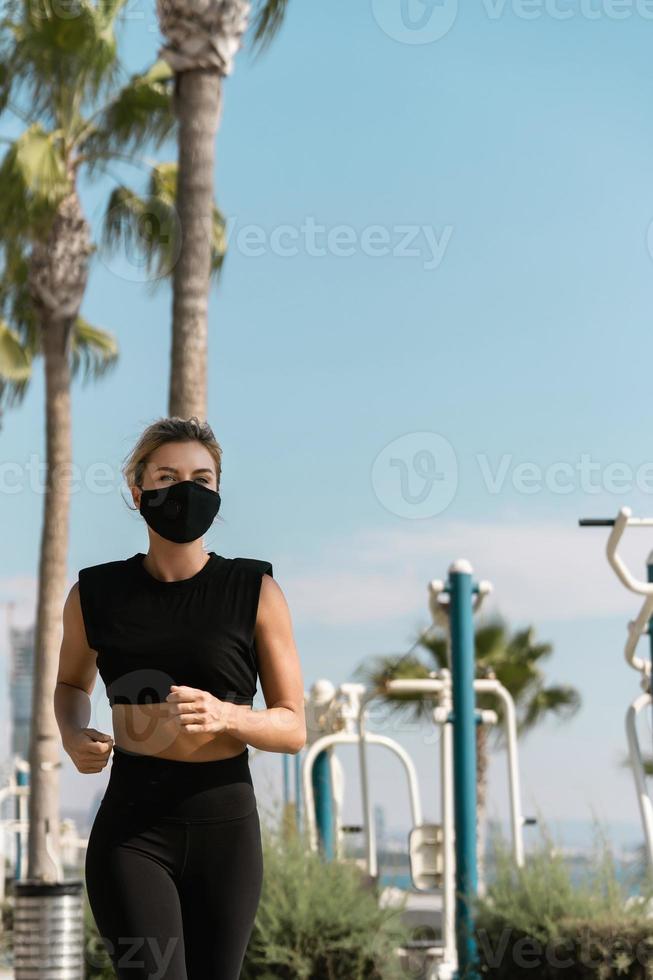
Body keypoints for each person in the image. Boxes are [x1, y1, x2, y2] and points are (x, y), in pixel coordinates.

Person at [54, 416, 306, 980]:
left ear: (217, 491)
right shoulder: (94, 594)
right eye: (168, 476)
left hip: (227, 826)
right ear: (137, 489)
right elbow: (71, 685)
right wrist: (74, 734)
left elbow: (293, 727)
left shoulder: (256, 591)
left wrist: (227, 715)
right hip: (133, 827)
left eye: (203, 479)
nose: (187, 491)